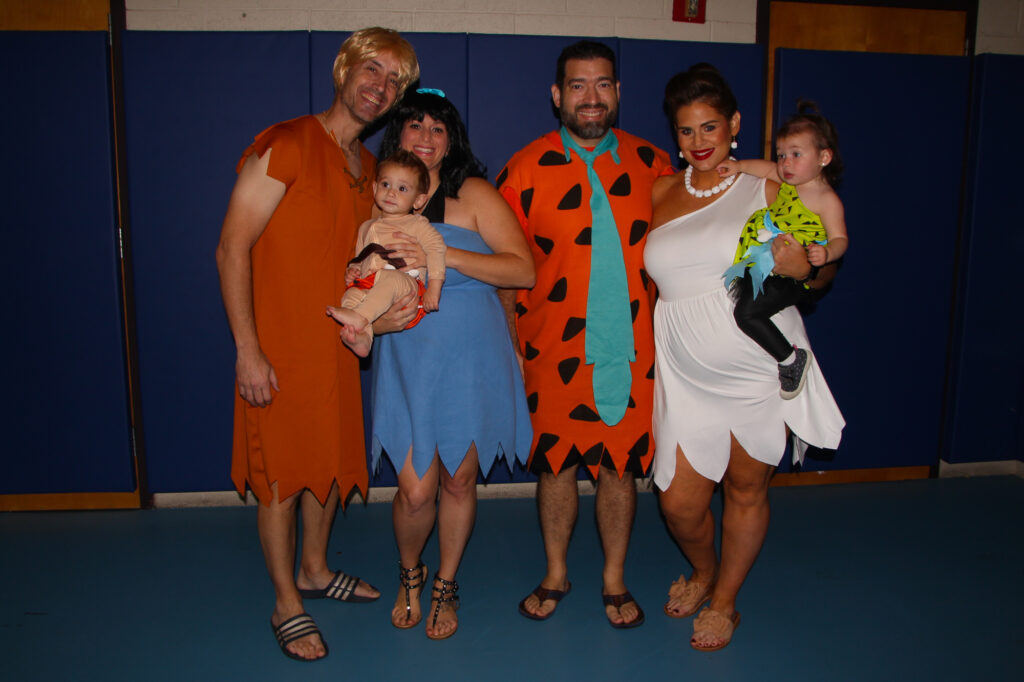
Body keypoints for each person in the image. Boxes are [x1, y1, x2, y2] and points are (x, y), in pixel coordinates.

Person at [215, 28, 418, 662]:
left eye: (394, 81)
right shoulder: (287, 143)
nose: (380, 86)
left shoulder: (370, 172)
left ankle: (314, 568)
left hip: (338, 349)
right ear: (343, 69)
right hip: (278, 349)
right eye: (372, 69)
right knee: (281, 477)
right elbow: (232, 247)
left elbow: (363, 268)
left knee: (326, 465)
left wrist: (389, 312)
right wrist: (248, 350)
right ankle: (286, 601)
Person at [644, 64, 845, 651]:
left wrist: (809, 268)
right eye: (686, 130)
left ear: (734, 124)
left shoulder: (772, 186)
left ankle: (725, 600)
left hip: (756, 362)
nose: (699, 141)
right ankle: (704, 570)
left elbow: (822, 264)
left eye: (710, 126)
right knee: (679, 504)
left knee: (746, 488)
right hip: (684, 367)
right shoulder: (660, 191)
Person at [497, 41, 672, 629]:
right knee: (556, 465)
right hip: (552, 347)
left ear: (618, 92)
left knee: (620, 467)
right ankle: (555, 572)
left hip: (634, 348)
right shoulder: (523, 170)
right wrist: (511, 343)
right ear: (557, 95)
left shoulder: (655, 166)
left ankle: (614, 578)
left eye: (602, 84)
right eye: (578, 85)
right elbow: (505, 269)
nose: (591, 97)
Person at [371, 88, 536, 640]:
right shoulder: (383, 195)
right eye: (415, 125)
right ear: (398, 135)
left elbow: (522, 270)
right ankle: (410, 572)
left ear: (451, 140)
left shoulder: (475, 192)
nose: (425, 137)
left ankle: (445, 583)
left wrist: (442, 255)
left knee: (460, 482)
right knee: (416, 490)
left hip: (471, 355)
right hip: (409, 355)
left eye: (437, 128)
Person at [717, 102, 848, 398]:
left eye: (796, 154)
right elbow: (764, 168)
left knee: (746, 313)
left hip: (794, 274)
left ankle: (790, 359)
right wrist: (738, 166)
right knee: (743, 305)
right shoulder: (789, 183)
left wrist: (827, 254)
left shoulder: (826, 199)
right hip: (771, 261)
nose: (785, 163)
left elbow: (840, 238)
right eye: (781, 155)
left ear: (824, 157)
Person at [326, 150, 445, 357]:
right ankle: (364, 337)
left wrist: (434, 288)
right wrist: (354, 270)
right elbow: (362, 257)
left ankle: (360, 318)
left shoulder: (417, 224)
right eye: (385, 184)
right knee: (351, 295)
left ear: (418, 201)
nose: (391, 193)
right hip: (371, 285)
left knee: (389, 279)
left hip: (407, 286)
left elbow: (436, 250)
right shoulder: (366, 227)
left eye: (402, 188)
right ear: (374, 188)